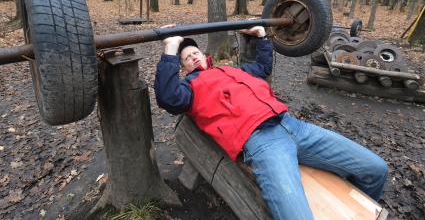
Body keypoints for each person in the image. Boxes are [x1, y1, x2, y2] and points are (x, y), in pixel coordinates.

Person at [154, 26, 388, 220]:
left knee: (376, 169)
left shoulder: (232, 70)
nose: (193, 56)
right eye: (186, 58)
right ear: (183, 67)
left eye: (194, 52)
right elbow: (167, 97)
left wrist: (262, 36)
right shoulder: (189, 88)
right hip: (262, 142)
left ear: (205, 55)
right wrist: (171, 48)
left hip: (294, 127)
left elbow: (263, 67)